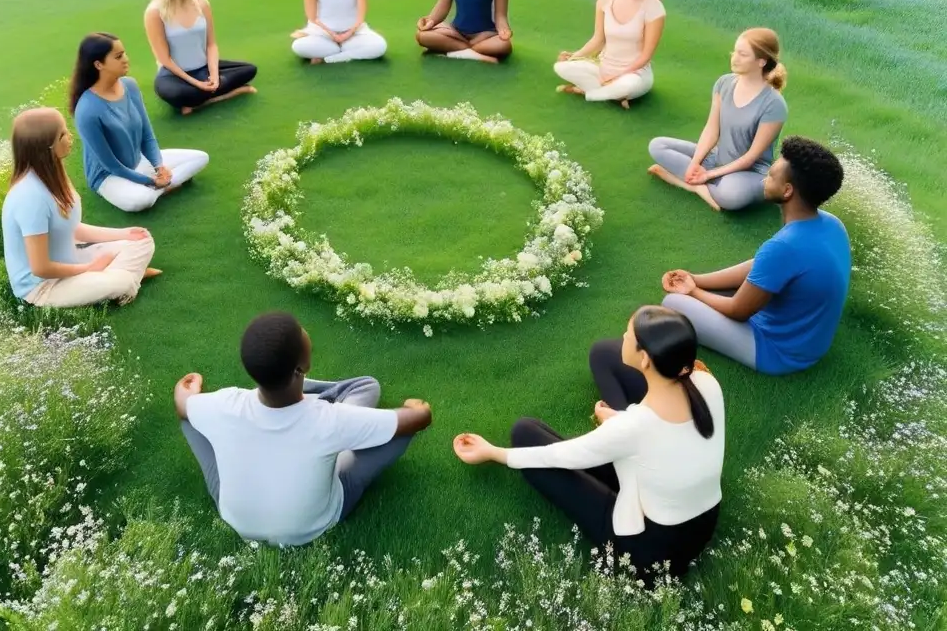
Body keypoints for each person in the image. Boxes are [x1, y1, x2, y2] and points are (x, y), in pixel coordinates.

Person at [453, 306, 724, 583]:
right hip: (703, 525)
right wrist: (618, 421)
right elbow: (660, 436)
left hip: (652, 553)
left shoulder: (633, 426)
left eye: (628, 335)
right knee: (602, 353)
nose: (623, 335)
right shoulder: (706, 383)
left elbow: (563, 456)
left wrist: (493, 452)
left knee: (524, 432)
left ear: (644, 358)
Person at [173, 311, 433, 546]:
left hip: (236, 519)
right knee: (369, 391)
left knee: (190, 419)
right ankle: (321, 401)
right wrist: (418, 409)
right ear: (301, 367)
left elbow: (182, 403)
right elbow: (418, 419)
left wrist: (189, 392)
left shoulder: (224, 404)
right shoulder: (331, 420)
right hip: (312, 526)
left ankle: (293, 391)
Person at [661, 136, 851, 376]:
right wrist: (697, 279)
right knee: (717, 291)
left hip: (781, 352)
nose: (764, 179)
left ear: (787, 190)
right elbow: (761, 267)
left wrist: (693, 291)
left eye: (771, 176)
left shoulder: (785, 247)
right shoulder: (831, 223)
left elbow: (738, 310)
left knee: (673, 304)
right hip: (810, 340)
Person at [1, 107, 159, 308]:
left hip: (70, 259)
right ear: (48, 146)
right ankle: (126, 280)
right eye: (63, 134)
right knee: (123, 282)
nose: (70, 136)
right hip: (45, 286)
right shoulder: (29, 197)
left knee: (142, 241)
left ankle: (119, 275)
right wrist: (87, 269)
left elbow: (73, 229)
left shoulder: (53, 174)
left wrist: (124, 233)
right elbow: (40, 267)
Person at [648, 28, 788, 211]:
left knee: (731, 197)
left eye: (743, 54)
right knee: (657, 145)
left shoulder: (774, 105)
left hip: (749, 172)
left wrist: (708, 174)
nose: (734, 58)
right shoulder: (724, 83)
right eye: (734, 51)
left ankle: (691, 183)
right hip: (718, 158)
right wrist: (695, 163)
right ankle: (699, 187)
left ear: (761, 61)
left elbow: (751, 158)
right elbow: (711, 130)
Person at [70, 32, 210, 213]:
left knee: (200, 158)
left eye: (124, 53)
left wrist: (159, 166)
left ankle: (160, 186)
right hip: (110, 176)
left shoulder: (130, 86)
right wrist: (151, 181)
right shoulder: (87, 111)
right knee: (140, 201)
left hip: (140, 162)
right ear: (98, 64)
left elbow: (147, 135)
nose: (126, 59)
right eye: (118, 56)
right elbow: (110, 164)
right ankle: (159, 188)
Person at [144, 0, 258, 115]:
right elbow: (164, 59)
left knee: (249, 69)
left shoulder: (201, 3)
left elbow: (211, 44)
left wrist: (214, 76)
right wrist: (196, 83)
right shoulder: (154, 12)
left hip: (203, 67)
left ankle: (203, 100)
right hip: (174, 75)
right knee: (177, 94)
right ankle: (222, 93)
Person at [554, 0, 666, 109]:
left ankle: (589, 92)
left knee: (627, 86)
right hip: (603, 68)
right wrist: (574, 56)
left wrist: (619, 75)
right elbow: (598, 39)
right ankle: (612, 94)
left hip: (634, 75)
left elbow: (646, 56)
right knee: (561, 67)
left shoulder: (654, 7)